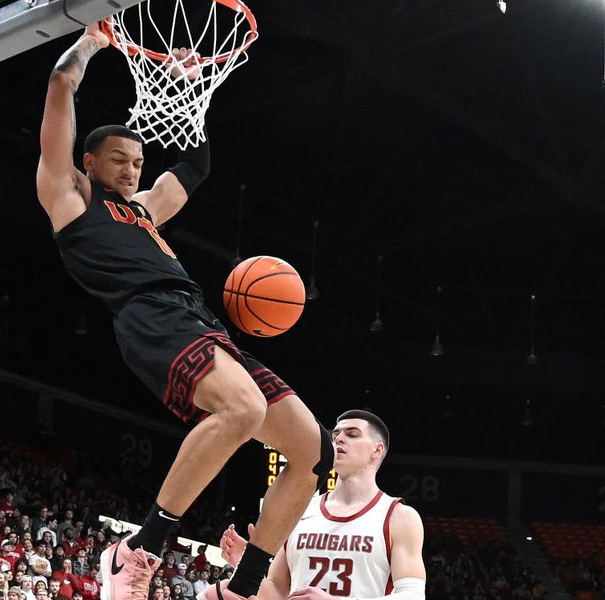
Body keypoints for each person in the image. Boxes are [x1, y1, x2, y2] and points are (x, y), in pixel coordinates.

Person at [37, 21, 333, 600]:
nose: (130, 170)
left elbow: (196, 165)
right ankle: (137, 550)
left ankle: (244, 589)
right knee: (243, 412)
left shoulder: (144, 210)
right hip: (149, 317)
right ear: (89, 162)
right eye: (118, 160)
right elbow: (58, 86)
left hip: (199, 319)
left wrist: (181, 79)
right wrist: (94, 43)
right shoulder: (68, 198)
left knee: (312, 450)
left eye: (137, 162)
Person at [215, 410, 427, 600]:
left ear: (377, 450)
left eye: (352, 434)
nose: (339, 439)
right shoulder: (299, 509)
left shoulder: (399, 516)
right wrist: (248, 564)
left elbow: (413, 595)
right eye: (336, 435)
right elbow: (277, 591)